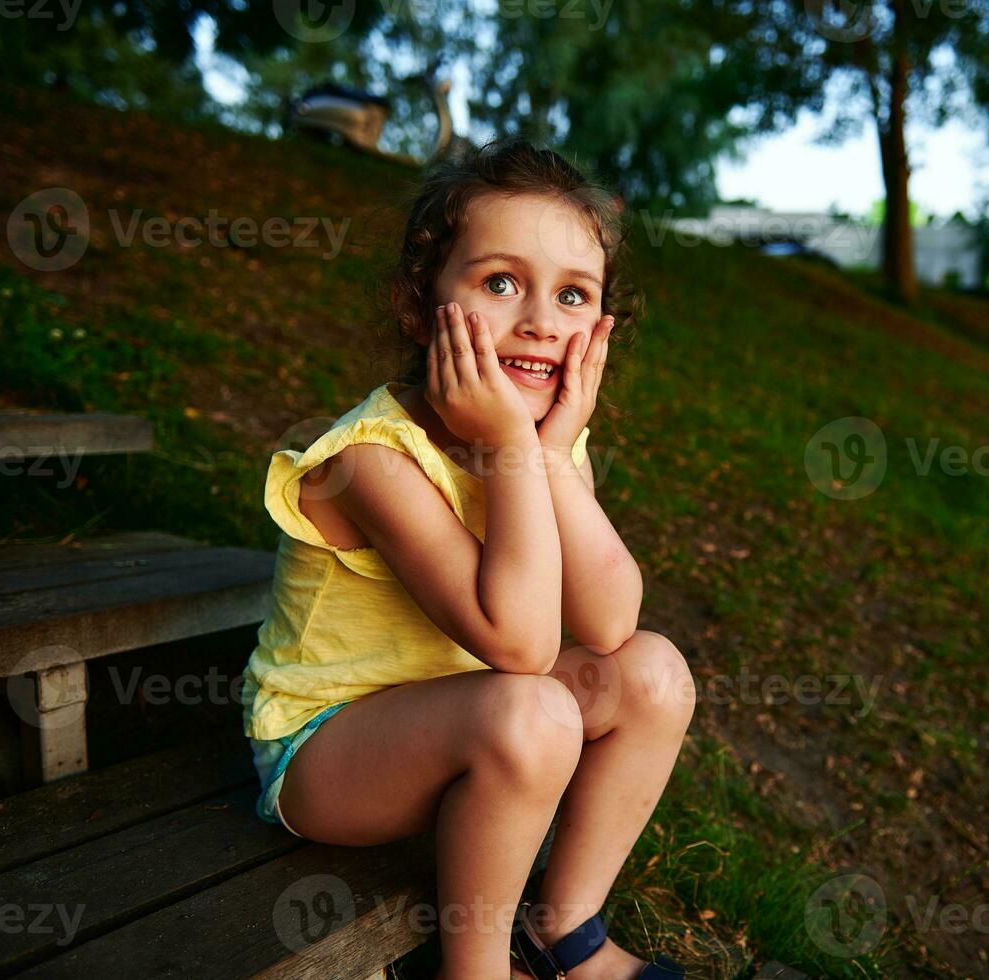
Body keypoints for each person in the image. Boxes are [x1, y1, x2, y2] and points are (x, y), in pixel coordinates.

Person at [240, 138, 696, 980]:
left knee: (654, 672)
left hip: (467, 726)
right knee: (535, 712)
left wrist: (546, 458)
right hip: (325, 757)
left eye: (571, 295)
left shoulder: (541, 446)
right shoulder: (372, 459)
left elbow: (608, 622)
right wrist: (519, 450)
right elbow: (519, 647)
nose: (538, 321)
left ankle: (565, 932)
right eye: (499, 283)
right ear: (418, 307)